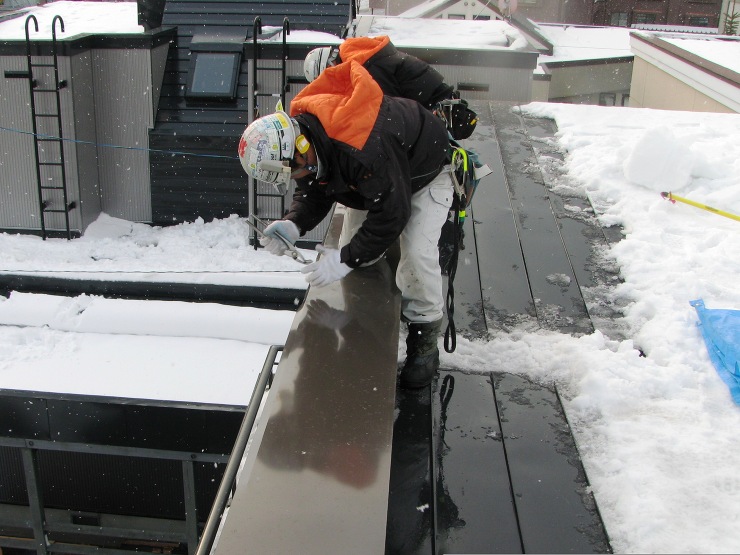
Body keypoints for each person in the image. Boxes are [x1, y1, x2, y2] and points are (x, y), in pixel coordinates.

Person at [237, 60, 453, 389]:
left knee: (416, 258)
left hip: (426, 174)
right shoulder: (308, 140)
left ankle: (424, 339)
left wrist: (345, 258)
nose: (296, 179)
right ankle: (366, 327)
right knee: (357, 253)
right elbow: (316, 188)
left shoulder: (362, 144)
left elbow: (393, 214)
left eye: (292, 171)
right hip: (375, 180)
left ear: (301, 148)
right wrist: (294, 223)